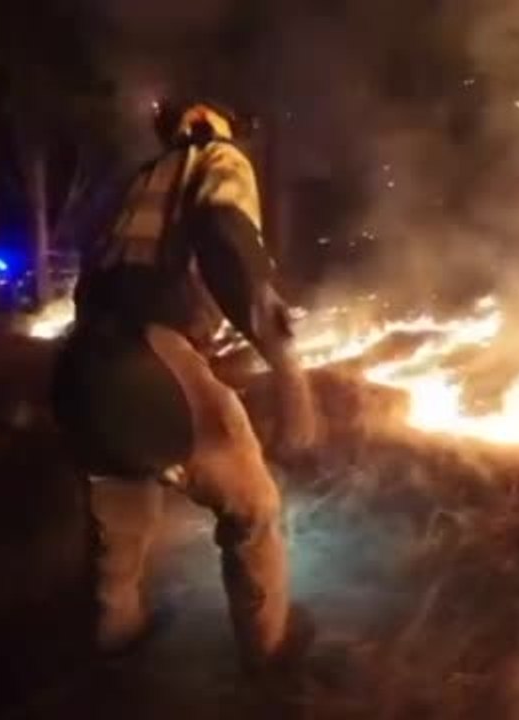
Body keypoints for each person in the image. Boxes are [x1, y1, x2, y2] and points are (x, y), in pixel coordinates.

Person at [50, 96, 318, 674]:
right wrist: (287, 369)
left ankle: (116, 637)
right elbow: (227, 239)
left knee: (118, 517)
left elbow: (90, 264)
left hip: (81, 369)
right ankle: (271, 653)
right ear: (220, 124)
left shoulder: (139, 179)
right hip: (146, 355)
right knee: (253, 506)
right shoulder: (216, 159)